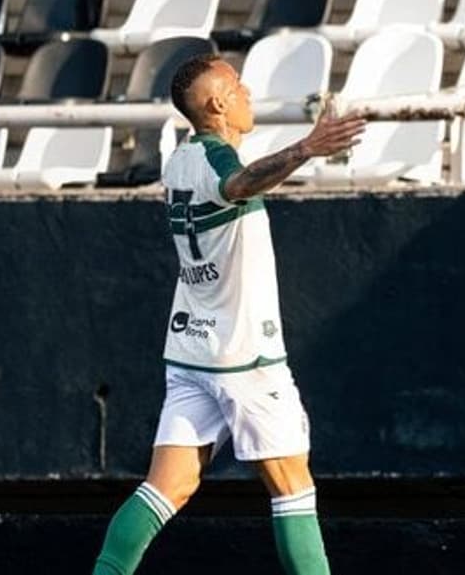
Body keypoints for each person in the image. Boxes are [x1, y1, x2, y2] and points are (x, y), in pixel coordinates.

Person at [91, 54, 367, 575]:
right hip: (244, 358)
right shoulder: (217, 159)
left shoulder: (178, 161)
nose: (248, 93)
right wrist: (308, 147)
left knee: (164, 488)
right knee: (293, 488)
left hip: (193, 351)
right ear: (217, 103)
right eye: (238, 85)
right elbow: (238, 184)